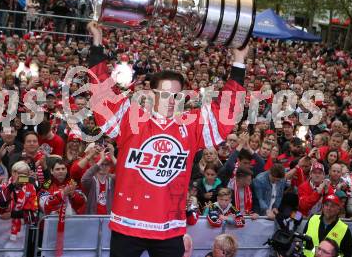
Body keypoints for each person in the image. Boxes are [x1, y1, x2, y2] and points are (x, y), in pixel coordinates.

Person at [87, 21, 247, 257]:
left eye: (176, 95)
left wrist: (239, 62)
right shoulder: (131, 118)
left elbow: (228, 110)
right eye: (164, 94)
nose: (171, 100)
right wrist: (97, 44)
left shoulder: (192, 125)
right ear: (151, 94)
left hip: (169, 228)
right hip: (127, 224)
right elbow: (101, 92)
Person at [0, 161, 38, 240]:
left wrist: (12, 214)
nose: (21, 177)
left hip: (21, 234)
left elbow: (33, 214)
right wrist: (13, 185)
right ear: (13, 173)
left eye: (25, 175)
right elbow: (0, 204)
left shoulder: (31, 188)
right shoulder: (4, 186)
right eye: (19, 173)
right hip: (1, 231)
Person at [81, 146, 116, 214]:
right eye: (102, 164)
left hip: (108, 218)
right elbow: (84, 179)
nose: (104, 167)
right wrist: (101, 160)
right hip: (92, 217)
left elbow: (125, 174)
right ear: (97, 165)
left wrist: (112, 157)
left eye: (107, 164)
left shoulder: (112, 179)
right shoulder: (92, 180)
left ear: (110, 167)